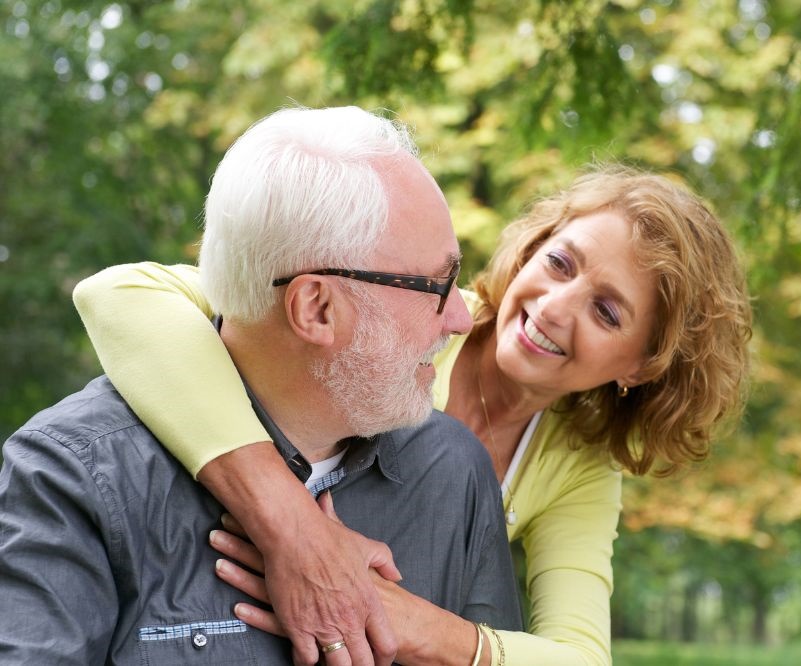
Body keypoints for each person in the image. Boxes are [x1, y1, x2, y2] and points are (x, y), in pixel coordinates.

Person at [73, 165, 754, 665]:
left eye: (607, 311)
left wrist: (408, 622)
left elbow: (579, 657)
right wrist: (289, 526)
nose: (553, 305)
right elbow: (118, 294)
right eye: (560, 262)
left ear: (641, 365)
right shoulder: (404, 314)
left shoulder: (577, 464)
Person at [0, 106, 523, 665]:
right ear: (317, 307)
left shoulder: (453, 469)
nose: (460, 321)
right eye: (436, 286)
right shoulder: (72, 478)